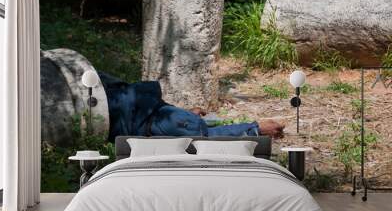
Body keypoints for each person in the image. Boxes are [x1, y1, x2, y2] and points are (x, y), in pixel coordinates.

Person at [98, 72, 284, 142]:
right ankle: (259, 129)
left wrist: (182, 112)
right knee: (200, 132)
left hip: (150, 112)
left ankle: (257, 129)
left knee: (197, 128)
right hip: (147, 118)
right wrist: (255, 129)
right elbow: (208, 138)